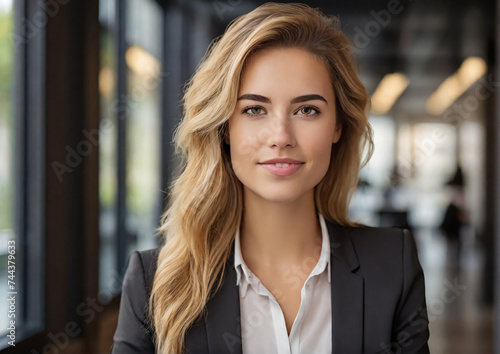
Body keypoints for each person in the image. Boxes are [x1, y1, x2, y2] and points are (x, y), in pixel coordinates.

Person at [111, 3, 430, 353]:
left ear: (338, 125)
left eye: (307, 110)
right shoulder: (154, 281)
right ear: (224, 127)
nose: (280, 136)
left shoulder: (392, 266)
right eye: (254, 110)